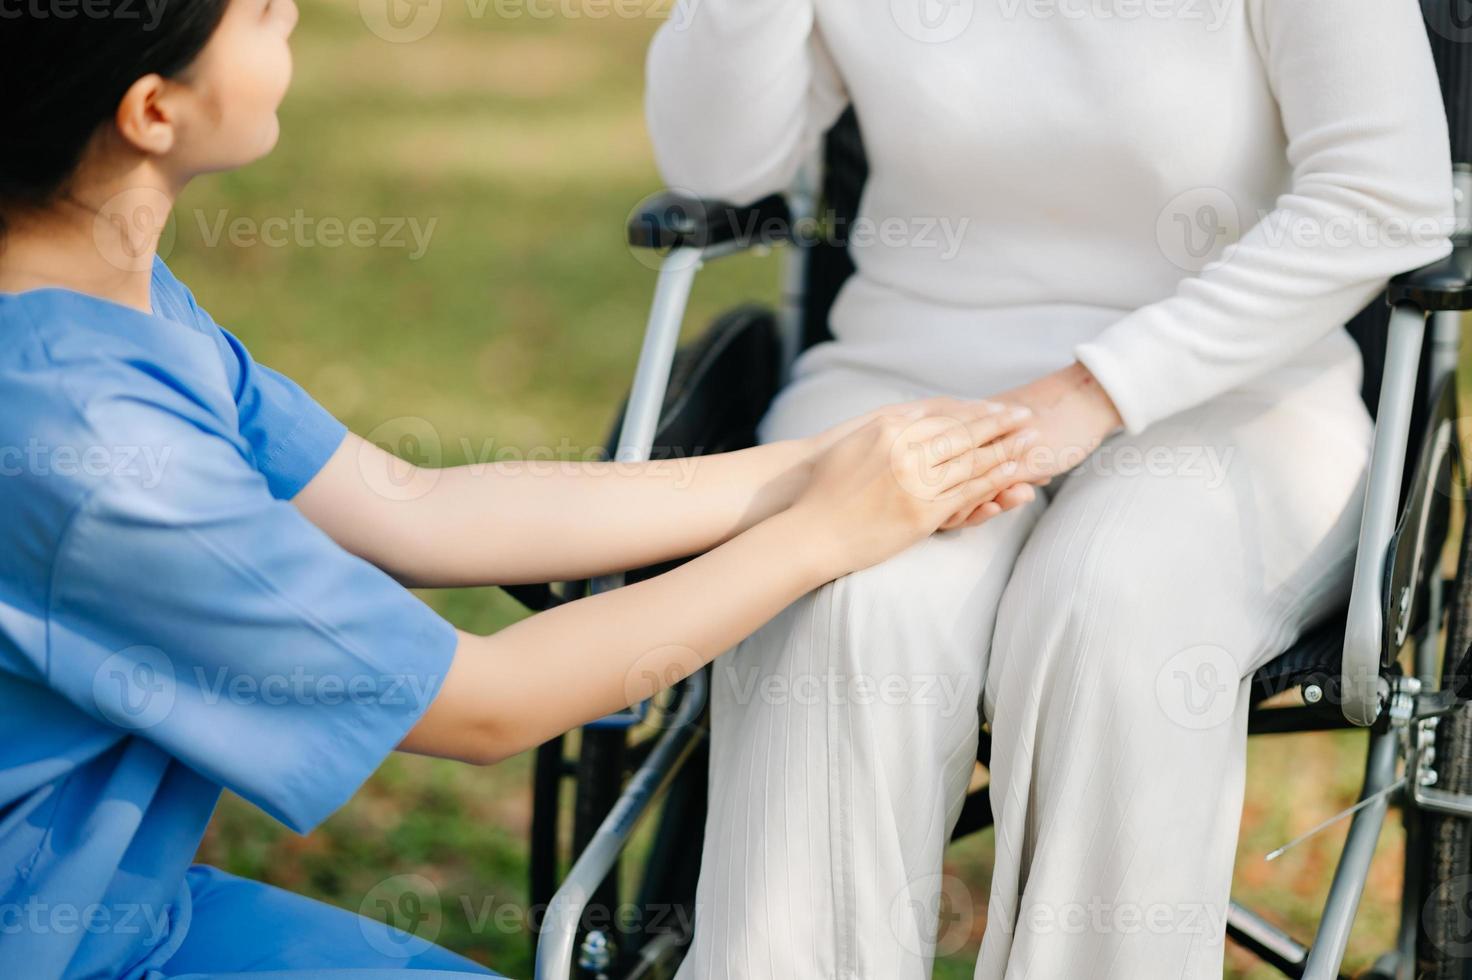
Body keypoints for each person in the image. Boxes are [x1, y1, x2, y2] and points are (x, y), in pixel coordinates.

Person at [0, 1, 1043, 977]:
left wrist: (814, 463)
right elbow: (483, 705)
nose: (295, 16)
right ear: (152, 111)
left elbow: (410, 502)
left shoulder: (103, 303)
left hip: (124, 909)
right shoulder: (95, 450)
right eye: (265, 11)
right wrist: (817, 535)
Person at [644, 0, 1457, 976]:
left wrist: (1094, 388)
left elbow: (1381, 196)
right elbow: (714, 168)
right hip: (908, 372)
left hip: (1234, 395)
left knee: (1113, 606)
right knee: (848, 610)